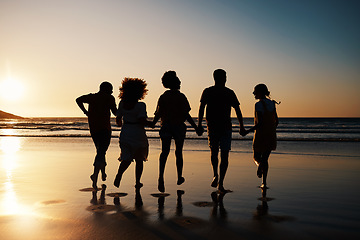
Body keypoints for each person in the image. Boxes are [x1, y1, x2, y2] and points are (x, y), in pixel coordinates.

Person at [197, 69, 245, 193]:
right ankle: (219, 179)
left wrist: (199, 124)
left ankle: (218, 178)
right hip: (220, 127)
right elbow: (238, 110)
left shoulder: (218, 92)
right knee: (222, 154)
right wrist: (241, 126)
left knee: (216, 153)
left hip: (218, 126)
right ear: (223, 78)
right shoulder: (221, 92)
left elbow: (201, 109)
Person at [152, 71, 199, 193]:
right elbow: (186, 114)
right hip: (178, 127)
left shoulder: (163, 97)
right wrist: (196, 127)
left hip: (166, 126)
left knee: (164, 152)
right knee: (178, 152)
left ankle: (161, 177)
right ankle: (179, 176)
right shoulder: (181, 96)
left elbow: (159, 113)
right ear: (176, 83)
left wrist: (152, 123)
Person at [76, 82, 117, 190]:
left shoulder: (92, 97)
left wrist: (85, 112)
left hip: (94, 129)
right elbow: (115, 112)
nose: (112, 91)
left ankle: (101, 173)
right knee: (101, 151)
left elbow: (78, 99)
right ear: (107, 89)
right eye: (111, 89)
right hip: (105, 128)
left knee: (100, 151)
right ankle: (95, 175)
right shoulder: (110, 98)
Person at [114, 78, 152, 189]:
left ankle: (119, 174)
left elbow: (118, 119)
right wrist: (151, 124)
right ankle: (137, 182)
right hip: (138, 134)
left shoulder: (122, 103)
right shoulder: (141, 105)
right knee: (139, 159)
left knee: (126, 158)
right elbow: (141, 120)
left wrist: (122, 125)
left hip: (125, 132)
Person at [242, 83, 279, 189]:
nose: (253, 93)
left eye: (255, 91)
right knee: (265, 158)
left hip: (261, 135)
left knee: (256, 157)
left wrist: (247, 131)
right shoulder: (272, 103)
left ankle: (259, 167)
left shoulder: (258, 105)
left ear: (260, 92)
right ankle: (264, 182)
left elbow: (259, 123)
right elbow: (277, 121)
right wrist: (271, 130)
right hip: (271, 135)